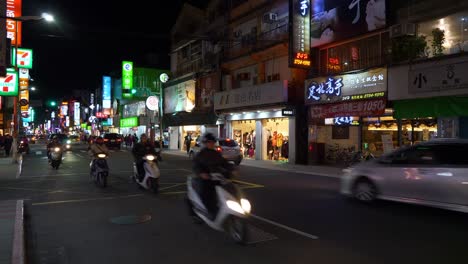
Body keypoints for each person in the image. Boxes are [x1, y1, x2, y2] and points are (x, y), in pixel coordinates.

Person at [192, 133, 232, 219]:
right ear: (205, 143)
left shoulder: (216, 154)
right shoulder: (200, 154)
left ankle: (221, 210)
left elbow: (224, 163)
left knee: (228, 192)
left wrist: (232, 169)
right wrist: (202, 173)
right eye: (209, 142)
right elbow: (196, 165)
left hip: (217, 178)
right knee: (207, 194)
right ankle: (209, 211)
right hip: (206, 179)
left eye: (213, 142)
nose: (211, 144)